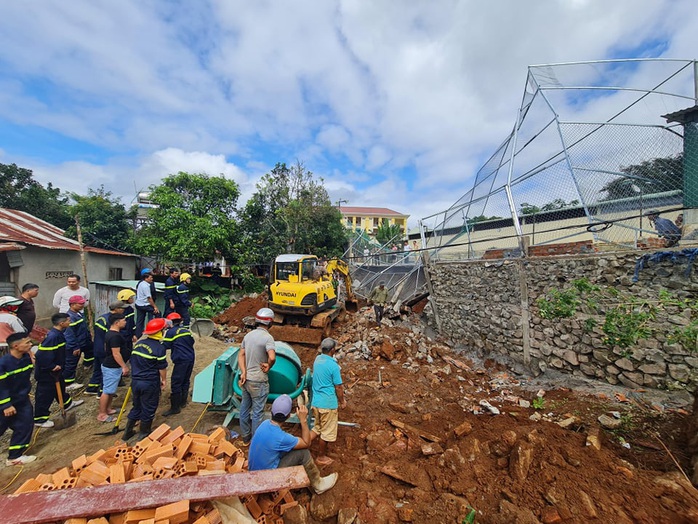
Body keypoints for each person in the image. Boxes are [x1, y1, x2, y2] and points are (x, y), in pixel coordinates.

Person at [248, 394, 338, 495]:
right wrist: (303, 420)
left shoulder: (264, 424)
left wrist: (316, 430)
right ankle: (319, 485)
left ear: (272, 411)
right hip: (267, 481)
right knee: (303, 453)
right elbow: (306, 443)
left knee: (290, 448)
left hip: (253, 474)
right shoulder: (281, 437)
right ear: (289, 416)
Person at [34, 313, 84, 428]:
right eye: (68, 320)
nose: (70, 322)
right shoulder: (52, 337)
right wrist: (51, 366)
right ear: (62, 323)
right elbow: (41, 355)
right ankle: (40, 418)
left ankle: (67, 404)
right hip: (47, 372)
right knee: (45, 395)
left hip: (57, 370)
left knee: (60, 387)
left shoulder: (59, 334)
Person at [122, 318, 168, 441]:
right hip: (149, 383)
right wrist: (164, 380)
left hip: (136, 382)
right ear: (160, 331)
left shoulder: (139, 345)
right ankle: (144, 434)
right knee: (149, 407)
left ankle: (127, 433)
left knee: (136, 406)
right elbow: (162, 367)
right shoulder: (159, 348)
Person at [237, 307, 276, 445]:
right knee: (258, 413)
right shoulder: (268, 338)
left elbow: (240, 355)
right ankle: (256, 442)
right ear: (270, 322)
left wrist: (243, 372)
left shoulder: (248, 335)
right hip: (259, 381)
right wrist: (268, 365)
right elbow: (272, 357)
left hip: (247, 380)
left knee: (244, 409)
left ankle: (246, 438)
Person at [0, 333, 37, 465]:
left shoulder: (26, 357)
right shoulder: (4, 364)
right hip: (5, 402)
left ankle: (14, 457)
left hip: (22, 399)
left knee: (25, 424)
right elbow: (1, 387)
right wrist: (6, 405)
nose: (30, 345)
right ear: (16, 346)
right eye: (27, 343)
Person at [310, 338, 346, 466]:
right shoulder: (333, 366)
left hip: (316, 402)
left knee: (317, 427)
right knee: (326, 432)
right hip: (328, 404)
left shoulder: (317, 360)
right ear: (332, 350)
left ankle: (303, 444)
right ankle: (321, 456)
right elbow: (338, 387)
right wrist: (342, 401)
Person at [86, 301, 127, 395]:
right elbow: (111, 338)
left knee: (97, 370)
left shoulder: (102, 318)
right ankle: (102, 393)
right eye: (122, 308)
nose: (123, 310)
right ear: (116, 309)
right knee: (106, 373)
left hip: (97, 348)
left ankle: (92, 388)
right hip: (104, 350)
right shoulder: (110, 321)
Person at [162, 312, 195, 416]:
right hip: (190, 358)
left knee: (176, 382)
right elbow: (192, 341)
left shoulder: (171, 332)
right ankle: (183, 402)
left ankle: (175, 407)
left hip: (181, 360)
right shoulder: (186, 330)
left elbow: (165, 346)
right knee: (185, 380)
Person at [98, 313, 130, 423]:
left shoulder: (111, 333)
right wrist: (124, 366)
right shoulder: (115, 336)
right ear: (117, 322)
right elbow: (116, 353)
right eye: (123, 320)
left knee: (111, 390)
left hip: (112, 366)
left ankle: (108, 409)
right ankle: (102, 414)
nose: (125, 322)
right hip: (112, 367)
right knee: (107, 391)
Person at [64, 295, 93, 390]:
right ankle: (68, 383)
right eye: (80, 303)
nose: (82, 305)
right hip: (75, 344)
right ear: (72, 304)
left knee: (90, 351)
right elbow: (69, 334)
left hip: (84, 341)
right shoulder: (70, 317)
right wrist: (75, 347)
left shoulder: (79, 314)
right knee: (71, 363)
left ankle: (87, 366)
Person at [135, 269, 159, 338]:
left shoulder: (140, 283)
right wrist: (155, 307)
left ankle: (138, 335)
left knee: (140, 320)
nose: (152, 279)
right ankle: (155, 330)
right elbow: (149, 298)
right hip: (145, 304)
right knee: (157, 313)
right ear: (146, 278)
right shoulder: (146, 286)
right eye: (150, 277)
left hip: (139, 304)